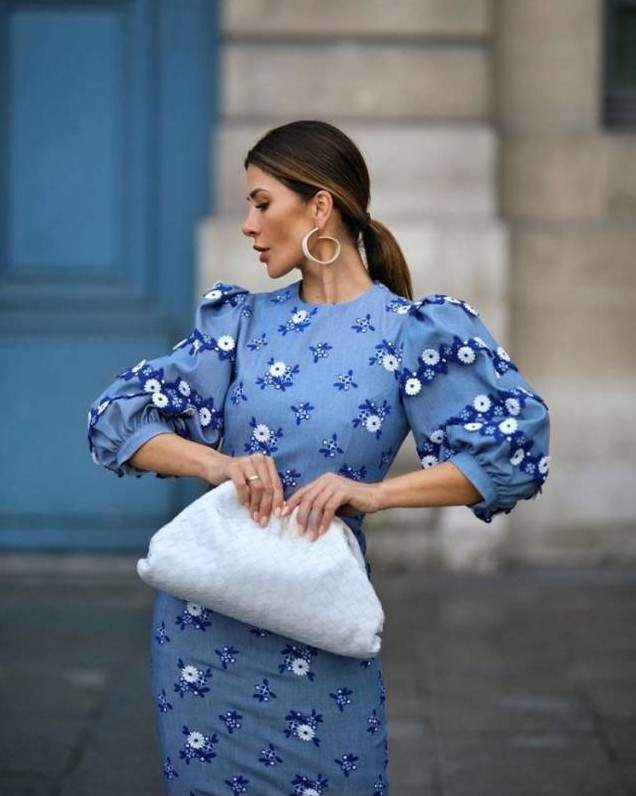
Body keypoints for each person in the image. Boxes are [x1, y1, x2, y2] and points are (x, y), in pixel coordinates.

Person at [87, 119, 551, 795]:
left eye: (262, 202)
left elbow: (515, 449)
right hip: (207, 638)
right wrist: (216, 465)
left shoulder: (414, 332)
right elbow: (115, 417)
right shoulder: (239, 323)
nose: (248, 224)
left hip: (324, 625)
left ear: (320, 207)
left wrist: (376, 494)